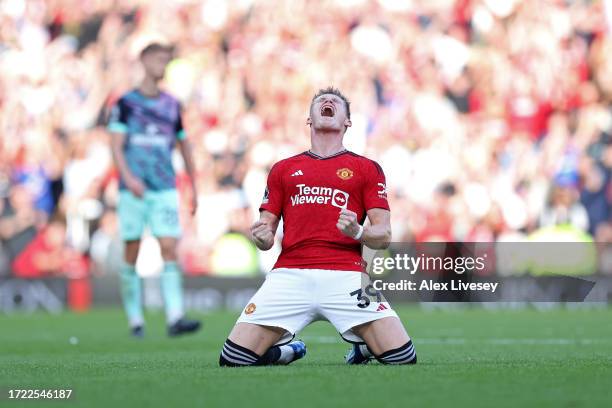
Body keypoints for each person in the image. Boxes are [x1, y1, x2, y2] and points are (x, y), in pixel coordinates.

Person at [219, 87, 416, 366]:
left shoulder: (367, 168)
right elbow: (266, 234)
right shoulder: (283, 169)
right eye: (320, 101)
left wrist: (357, 232)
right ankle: (287, 352)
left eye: (335, 102)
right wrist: (261, 237)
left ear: (347, 121)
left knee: (403, 358)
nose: (327, 102)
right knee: (233, 359)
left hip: (346, 274)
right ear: (309, 119)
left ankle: (363, 348)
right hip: (290, 274)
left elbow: (383, 236)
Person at [107, 43, 200, 338]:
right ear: (144, 60)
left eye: (166, 61)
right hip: (132, 189)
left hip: (163, 187)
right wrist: (128, 177)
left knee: (169, 247)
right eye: (159, 59)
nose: (163, 65)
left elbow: (184, 143)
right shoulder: (125, 103)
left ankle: (175, 317)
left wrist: (193, 186)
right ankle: (135, 319)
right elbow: (116, 146)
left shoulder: (172, 104)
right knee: (131, 250)